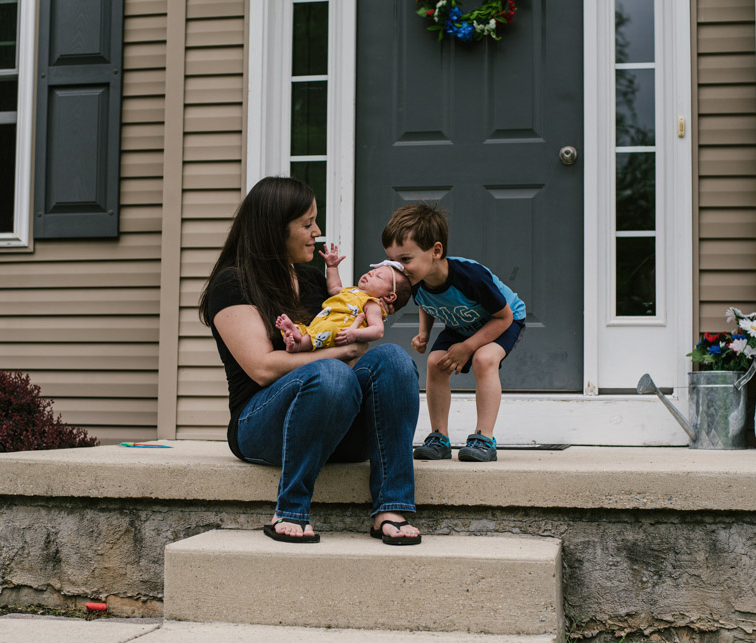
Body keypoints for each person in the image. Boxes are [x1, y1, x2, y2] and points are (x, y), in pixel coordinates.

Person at [198, 176, 421, 545]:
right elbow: (262, 368)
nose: (317, 232)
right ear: (274, 229)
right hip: (261, 426)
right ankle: (290, 510)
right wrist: (341, 353)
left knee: (394, 359)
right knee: (331, 372)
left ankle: (392, 506)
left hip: (333, 423)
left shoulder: (314, 281)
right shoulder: (233, 284)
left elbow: (341, 341)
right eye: (307, 224)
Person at [383, 202, 526, 463]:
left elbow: (503, 317)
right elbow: (426, 302)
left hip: (502, 318)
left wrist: (468, 347)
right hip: (462, 323)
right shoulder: (414, 279)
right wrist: (424, 333)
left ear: (436, 251)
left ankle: (484, 438)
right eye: (392, 261)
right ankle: (439, 438)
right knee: (435, 363)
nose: (398, 268)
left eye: (405, 259)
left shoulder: (470, 277)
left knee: (484, 359)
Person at [275, 245, 411, 352]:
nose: (370, 273)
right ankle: (294, 335)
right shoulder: (352, 291)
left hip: (339, 331)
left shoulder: (372, 304)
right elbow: (334, 288)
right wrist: (332, 267)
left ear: (389, 296)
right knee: (305, 327)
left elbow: (378, 330)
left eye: (378, 276)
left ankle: (299, 346)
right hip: (321, 322)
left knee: (327, 328)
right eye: (372, 271)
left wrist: (355, 334)